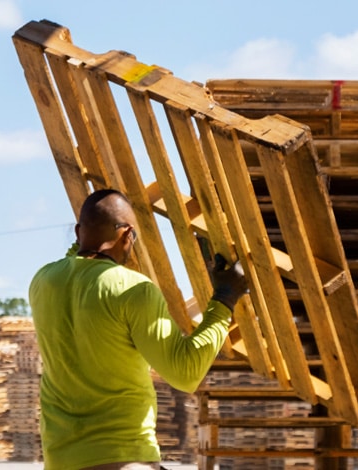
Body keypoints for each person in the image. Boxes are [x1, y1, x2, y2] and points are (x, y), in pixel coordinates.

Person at [29, 188, 247, 470]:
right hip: (123, 457)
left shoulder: (43, 282)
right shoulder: (134, 290)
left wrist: (89, 236)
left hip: (61, 460)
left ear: (78, 231)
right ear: (128, 235)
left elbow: (78, 257)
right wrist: (225, 299)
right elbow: (185, 373)